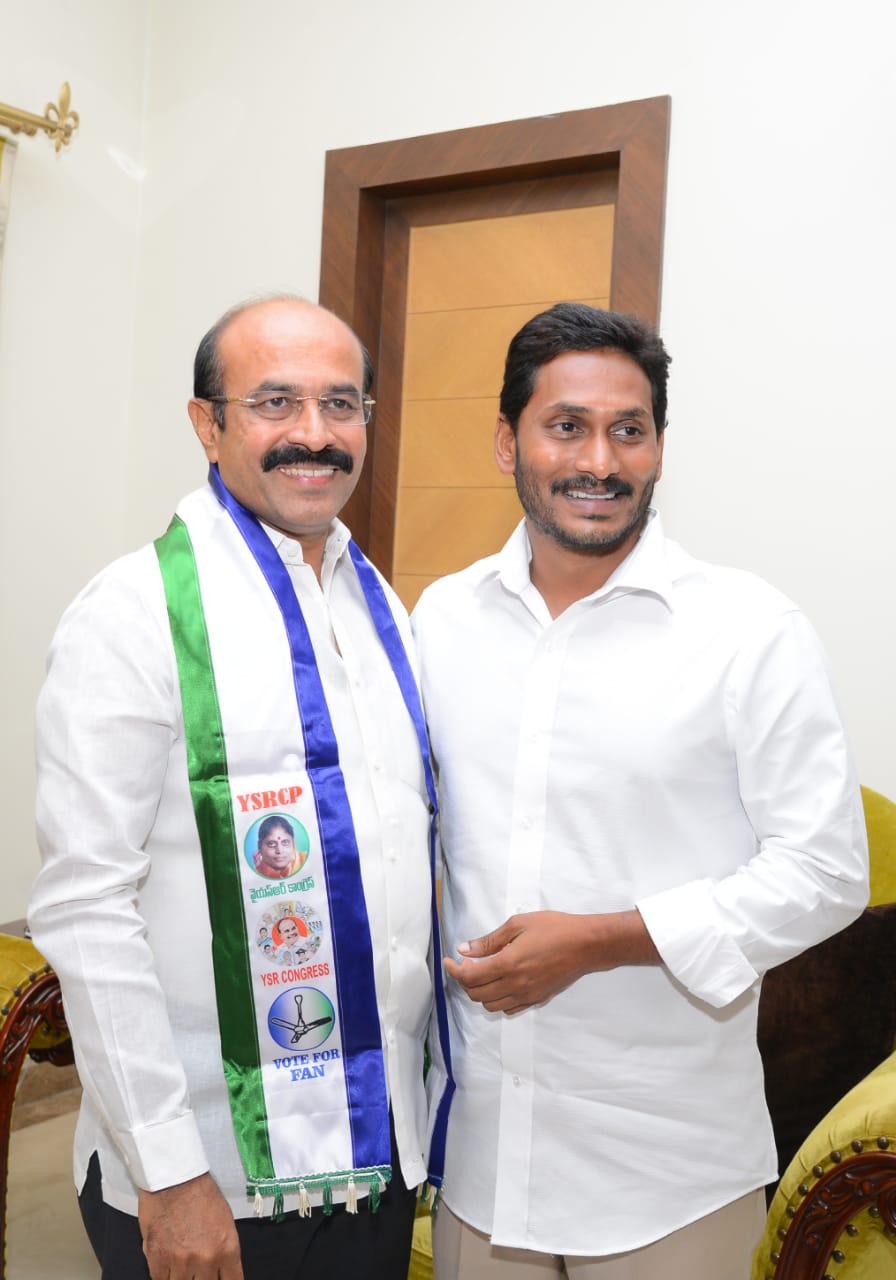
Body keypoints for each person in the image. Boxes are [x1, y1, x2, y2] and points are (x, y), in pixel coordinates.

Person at [411, 303, 869, 1279]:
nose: (600, 460)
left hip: (668, 1172)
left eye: (629, 429)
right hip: (481, 1162)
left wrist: (604, 937)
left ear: (658, 446)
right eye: (565, 424)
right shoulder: (441, 619)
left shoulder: (750, 629)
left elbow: (826, 869)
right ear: (506, 440)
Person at [29, 296, 450, 1280]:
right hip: (209, 1167)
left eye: (339, 404)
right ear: (206, 422)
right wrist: (170, 1174)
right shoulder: (131, 615)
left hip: (371, 1152)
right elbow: (88, 905)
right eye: (274, 401)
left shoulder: (377, 605)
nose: (313, 432)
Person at [252, 814, 307, 879]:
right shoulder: (253, 876)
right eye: (271, 844)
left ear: (293, 845)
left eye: (285, 842)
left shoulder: (307, 862)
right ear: (259, 847)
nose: (279, 850)